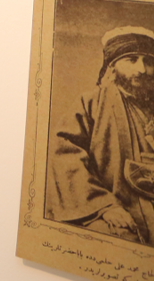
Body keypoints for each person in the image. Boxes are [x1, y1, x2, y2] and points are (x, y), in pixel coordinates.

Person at [49, 26, 154, 244]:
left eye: (149, 62)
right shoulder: (91, 104)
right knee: (124, 239)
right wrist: (104, 205)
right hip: (109, 203)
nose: (142, 69)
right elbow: (66, 159)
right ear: (112, 66)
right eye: (132, 60)